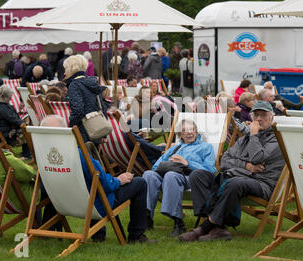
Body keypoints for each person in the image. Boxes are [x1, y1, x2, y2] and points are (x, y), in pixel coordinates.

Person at [180, 101, 285, 242]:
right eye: (256, 115)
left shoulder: (277, 139)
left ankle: (204, 227)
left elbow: (256, 157)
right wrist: (246, 166)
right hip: (240, 176)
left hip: (263, 183)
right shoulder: (245, 139)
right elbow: (225, 161)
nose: (259, 119)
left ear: (271, 117)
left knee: (233, 182)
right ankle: (218, 228)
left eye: (263, 115)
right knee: (197, 175)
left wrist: (254, 134)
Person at [40, 115, 155, 244]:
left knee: (91, 186)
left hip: (63, 203)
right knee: (140, 183)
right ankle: (136, 236)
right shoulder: (77, 154)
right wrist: (118, 180)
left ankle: (98, 234)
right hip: (92, 205)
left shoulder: (42, 156)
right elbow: (103, 183)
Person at [142, 118, 216, 237]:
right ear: (180, 134)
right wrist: (169, 163)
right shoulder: (174, 148)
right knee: (148, 174)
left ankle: (178, 221)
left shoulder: (206, 147)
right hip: (169, 175)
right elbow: (156, 166)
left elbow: (210, 170)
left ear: (196, 131)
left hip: (190, 177)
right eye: (185, 130)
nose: (190, 132)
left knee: (171, 176)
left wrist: (187, 163)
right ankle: (146, 217)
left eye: (192, 129)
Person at [64, 55, 107, 143]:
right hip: (97, 130)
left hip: (82, 133)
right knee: (92, 156)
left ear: (72, 69)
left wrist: (70, 126)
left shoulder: (74, 85)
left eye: (66, 69)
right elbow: (102, 108)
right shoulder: (93, 83)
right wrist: (104, 134)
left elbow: (78, 110)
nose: (64, 73)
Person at [0, 86, 31, 159]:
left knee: (23, 127)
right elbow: (14, 120)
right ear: (5, 97)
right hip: (6, 135)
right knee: (26, 131)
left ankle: (25, 152)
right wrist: (25, 124)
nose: (10, 99)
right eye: (10, 97)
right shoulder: (3, 108)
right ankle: (26, 154)